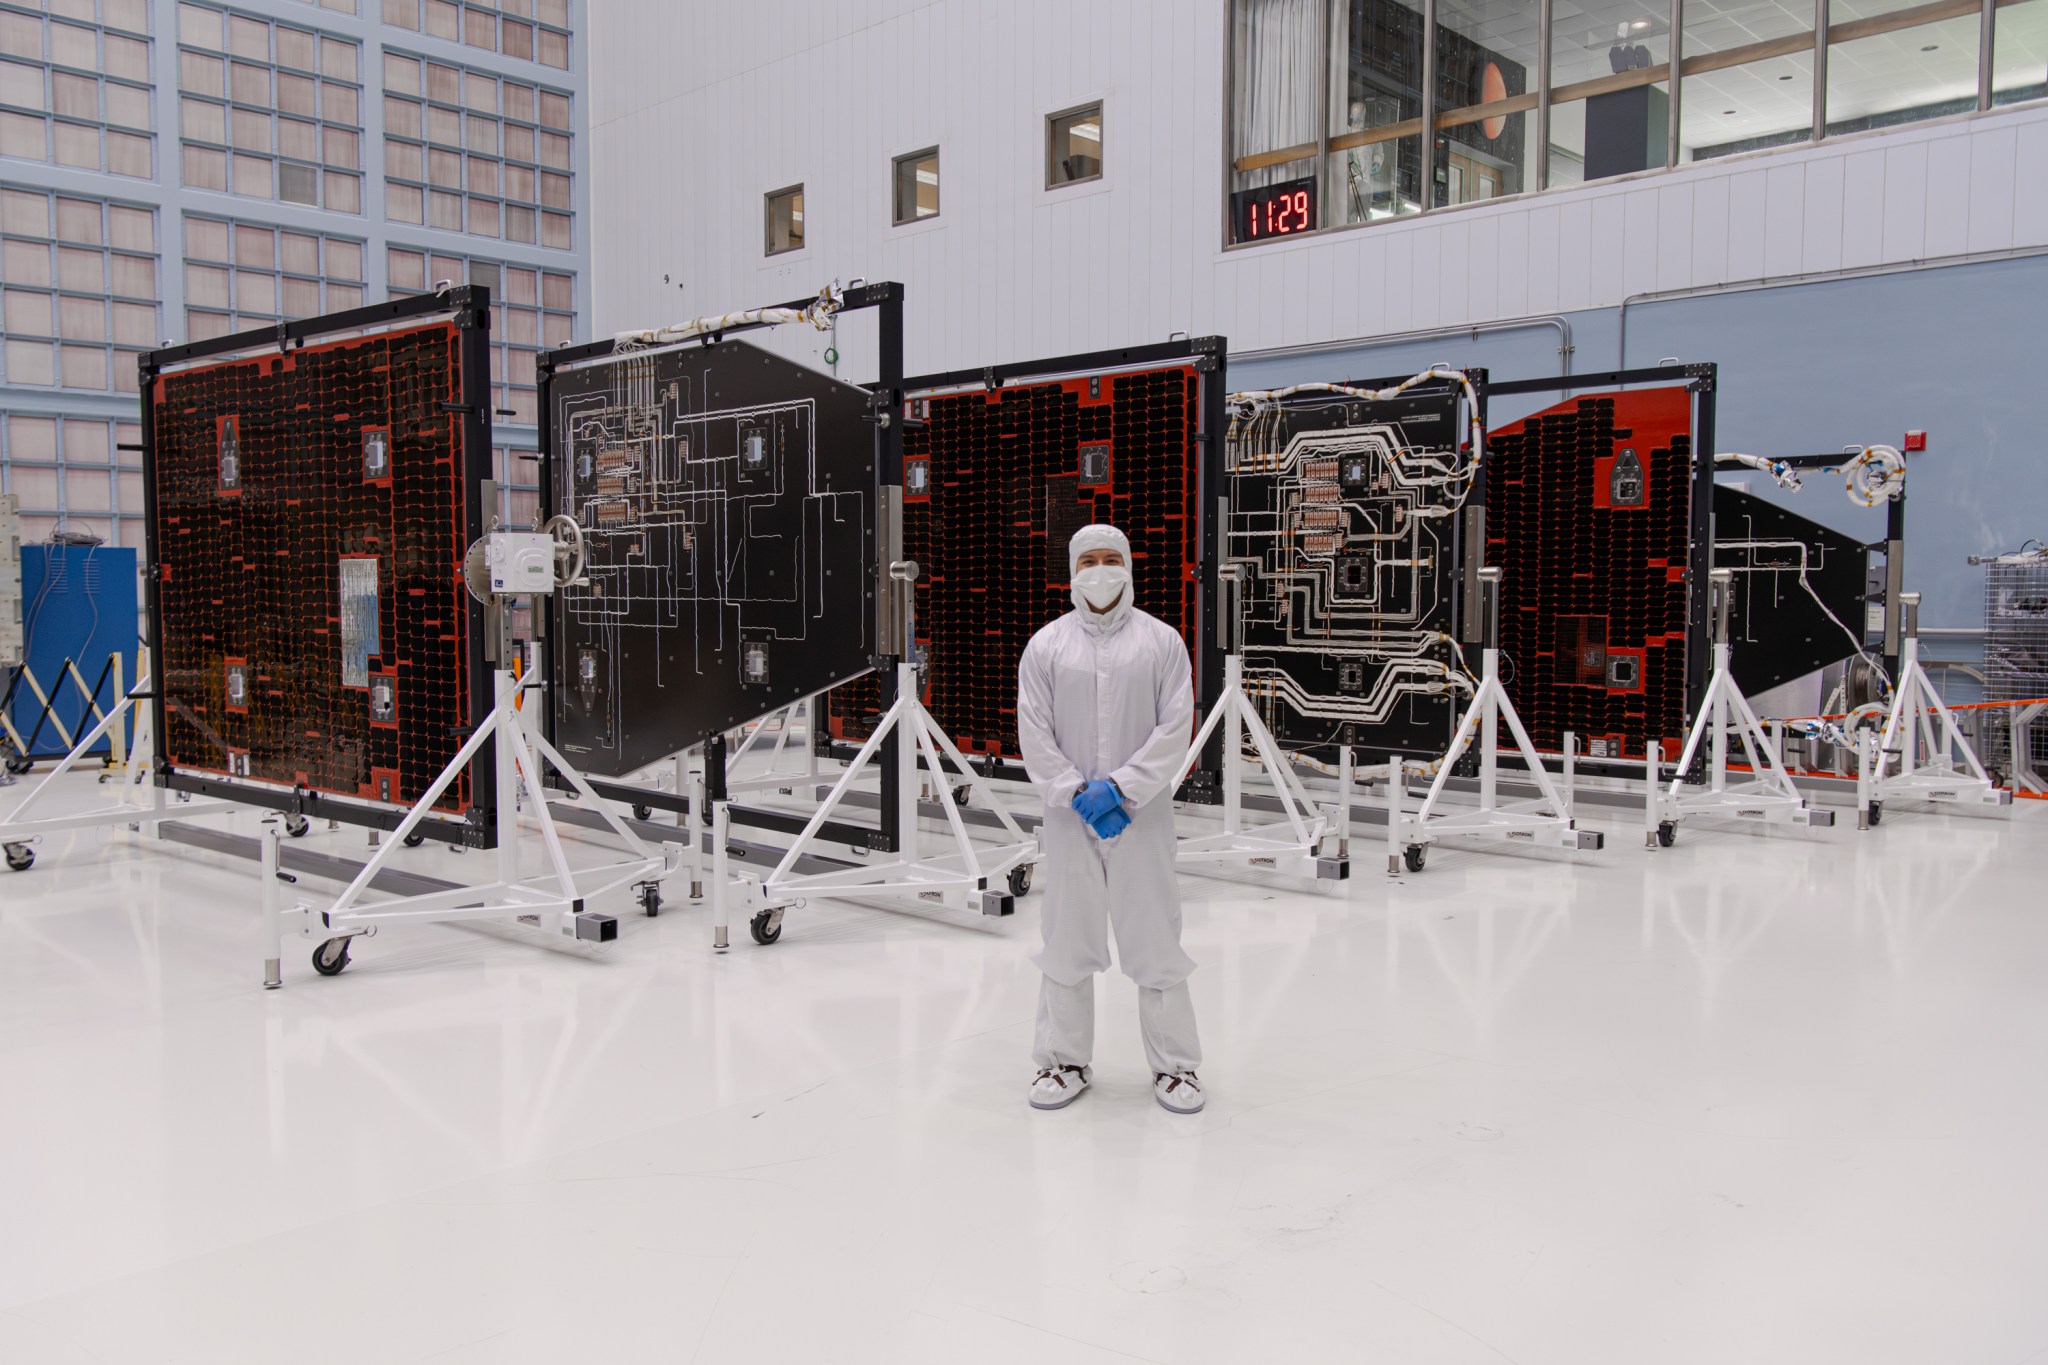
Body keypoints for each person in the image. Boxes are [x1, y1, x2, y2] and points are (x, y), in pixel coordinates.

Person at [1017, 524, 1203, 1114]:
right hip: (1071, 820)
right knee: (1067, 937)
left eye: (1111, 559)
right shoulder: (1046, 646)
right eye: (1089, 560)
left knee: (1154, 937)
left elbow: (1176, 727)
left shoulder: (1162, 642)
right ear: (1073, 571)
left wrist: (1121, 789)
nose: (1101, 570)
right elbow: (1035, 733)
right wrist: (1077, 793)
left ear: (1127, 565)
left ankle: (1177, 1069)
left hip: (1140, 817)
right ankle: (1063, 1062)